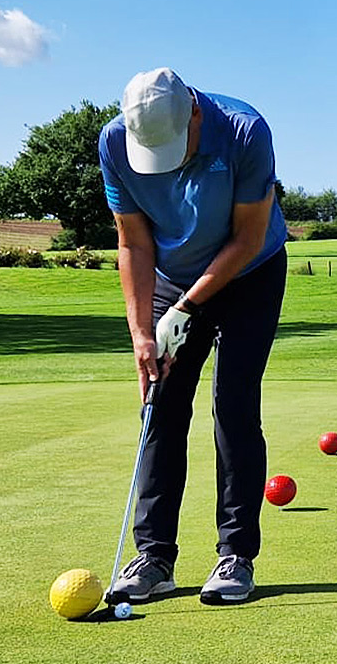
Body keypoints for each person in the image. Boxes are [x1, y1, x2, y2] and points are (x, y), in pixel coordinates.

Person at [98, 67, 287, 605]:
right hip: (170, 278)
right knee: (161, 405)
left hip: (249, 272)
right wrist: (141, 334)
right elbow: (133, 242)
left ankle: (235, 556)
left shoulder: (246, 131)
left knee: (233, 406)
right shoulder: (115, 141)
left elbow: (250, 236)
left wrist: (188, 307)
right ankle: (153, 558)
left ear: (195, 113)